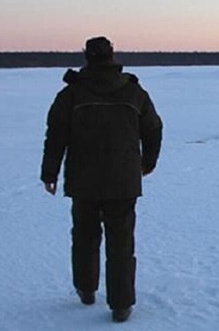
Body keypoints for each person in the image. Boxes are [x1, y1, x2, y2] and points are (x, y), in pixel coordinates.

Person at [41, 36, 163, 322]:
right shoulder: (134, 92)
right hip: (122, 181)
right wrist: (148, 162)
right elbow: (154, 128)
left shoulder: (71, 94)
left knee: (84, 236)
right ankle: (120, 306)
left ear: (87, 57)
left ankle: (86, 289)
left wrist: (49, 173)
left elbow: (55, 135)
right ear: (112, 56)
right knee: (120, 242)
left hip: (84, 181)